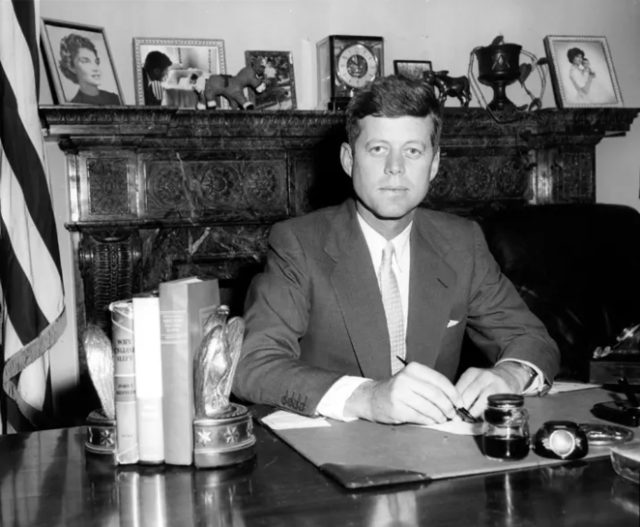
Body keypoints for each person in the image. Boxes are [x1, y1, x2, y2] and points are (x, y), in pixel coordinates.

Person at [233, 75, 560, 426]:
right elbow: (252, 363)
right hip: (329, 457)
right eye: (378, 149)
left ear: (433, 164)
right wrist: (366, 397)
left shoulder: (463, 243)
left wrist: (510, 375)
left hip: (437, 454)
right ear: (348, 159)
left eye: (413, 151)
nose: (395, 167)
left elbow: (532, 339)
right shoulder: (297, 243)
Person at [58, 33, 121, 105]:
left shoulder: (114, 98)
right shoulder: (74, 105)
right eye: (86, 61)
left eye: (96, 62)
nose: (95, 68)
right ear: (72, 67)